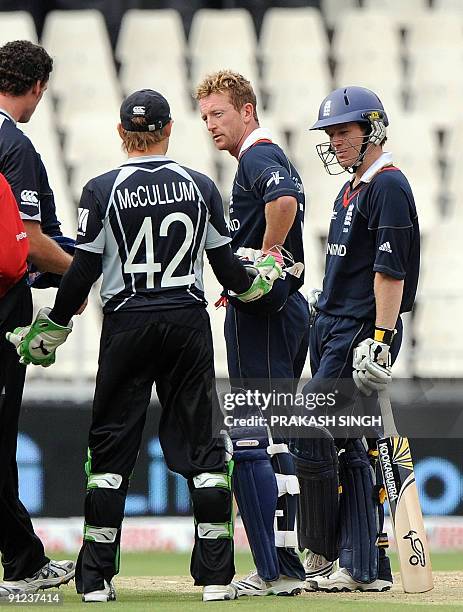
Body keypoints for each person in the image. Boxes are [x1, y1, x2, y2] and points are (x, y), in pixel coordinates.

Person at [7, 89, 283, 603]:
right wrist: (255, 285)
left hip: (126, 322)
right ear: (170, 129)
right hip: (186, 322)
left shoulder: (100, 189)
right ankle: (217, 580)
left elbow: (84, 268)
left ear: (120, 134)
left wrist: (57, 323)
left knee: (110, 452)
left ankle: (95, 581)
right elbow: (228, 271)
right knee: (203, 448)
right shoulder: (200, 186)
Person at [290, 86, 420, 592]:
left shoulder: (388, 185)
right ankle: (364, 564)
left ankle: (323, 554)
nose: (335, 142)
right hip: (332, 325)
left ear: (373, 129)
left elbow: (391, 272)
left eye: (344, 132)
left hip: (359, 330)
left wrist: (382, 338)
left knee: (309, 426)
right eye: (331, 134)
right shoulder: (352, 189)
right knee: (349, 445)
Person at [195, 70, 309, 597]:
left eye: (219, 114)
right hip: (282, 313)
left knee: (253, 440)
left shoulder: (259, 155)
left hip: (263, 314)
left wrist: (264, 260)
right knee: (278, 436)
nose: (211, 125)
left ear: (247, 110)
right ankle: (284, 563)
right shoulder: (266, 155)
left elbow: (282, 201)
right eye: (205, 117)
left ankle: (273, 570)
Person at [0, 40, 78, 600]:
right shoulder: (13, 144)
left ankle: (24, 558)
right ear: (36, 87)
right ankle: (25, 563)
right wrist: (83, 272)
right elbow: (28, 245)